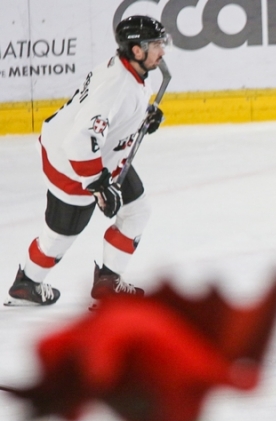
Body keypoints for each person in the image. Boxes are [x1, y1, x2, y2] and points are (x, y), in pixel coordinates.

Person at [4, 16, 169, 307]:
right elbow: (81, 138)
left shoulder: (131, 70)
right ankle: (27, 283)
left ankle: (108, 281)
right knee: (60, 236)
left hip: (103, 158)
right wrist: (98, 183)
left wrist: (141, 117)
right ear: (137, 50)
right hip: (71, 164)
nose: (162, 51)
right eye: (156, 45)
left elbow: (112, 115)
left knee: (137, 211)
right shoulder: (117, 85)